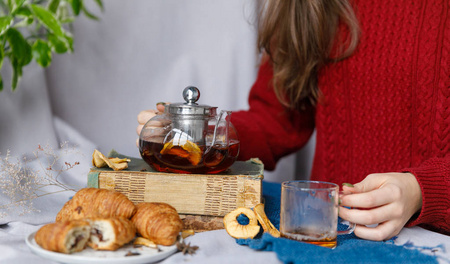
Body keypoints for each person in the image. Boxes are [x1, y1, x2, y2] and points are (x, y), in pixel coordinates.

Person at [137, 0, 449, 241]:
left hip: (437, 249)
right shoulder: (311, 5)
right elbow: (278, 119)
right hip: (330, 240)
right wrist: (204, 135)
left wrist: (422, 191)